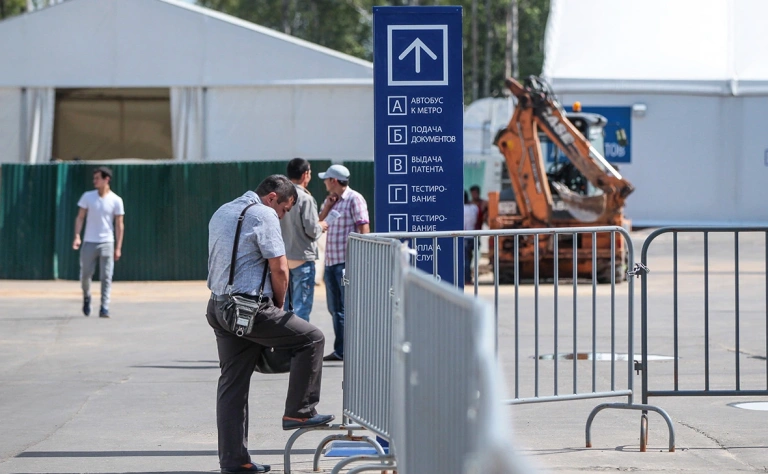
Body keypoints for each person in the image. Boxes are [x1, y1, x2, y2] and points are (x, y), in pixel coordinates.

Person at [206, 175, 334, 474]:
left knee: (232, 385)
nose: (283, 215)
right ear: (273, 197)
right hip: (250, 308)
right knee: (311, 338)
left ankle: (234, 462)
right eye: (285, 209)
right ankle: (299, 412)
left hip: (219, 306)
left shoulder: (224, 210)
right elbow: (279, 268)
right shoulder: (264, 214)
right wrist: (278, 307)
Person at [317, 164, 369, 362]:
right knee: (335, 308)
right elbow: (319, 225)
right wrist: (328, 207)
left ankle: (348, 349)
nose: (324, 183)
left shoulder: (354, 199)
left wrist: (363, 258)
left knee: (346, 308)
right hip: (331, 262)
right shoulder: (331, 201)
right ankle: (341, 349)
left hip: (346, 262)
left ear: (334, 181)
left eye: (326, 179)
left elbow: (363, 227)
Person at [279, 158, 328, 322]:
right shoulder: (305, 199)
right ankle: (300, 346)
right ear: (305, 174)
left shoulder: (280, 196)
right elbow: (312, 230)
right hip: (302, 258)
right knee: (302, 309)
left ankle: (285, 346)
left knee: (285, 308)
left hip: (283, 259)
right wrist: (321, 225)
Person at [72, 166, 125, 318]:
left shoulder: (116, 200)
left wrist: (118, 247)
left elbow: (119, 224)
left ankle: (104, 306)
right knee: (86, 275)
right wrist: (77, 236)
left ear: (106, 179)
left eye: (97, 178)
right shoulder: (88, 197)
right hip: (89, 241)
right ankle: (87, 296)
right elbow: (80, 217)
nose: (94, 181)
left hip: (107, 242)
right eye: (94, 178)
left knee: (106, 276)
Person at [463, 190, 480, 284]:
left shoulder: (459, 209)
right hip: (472, 236)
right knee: (469, 258)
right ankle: (468, 278)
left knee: (465, 259)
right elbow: (478, 219)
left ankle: (466, 279)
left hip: (463, 236)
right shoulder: (474, 208)